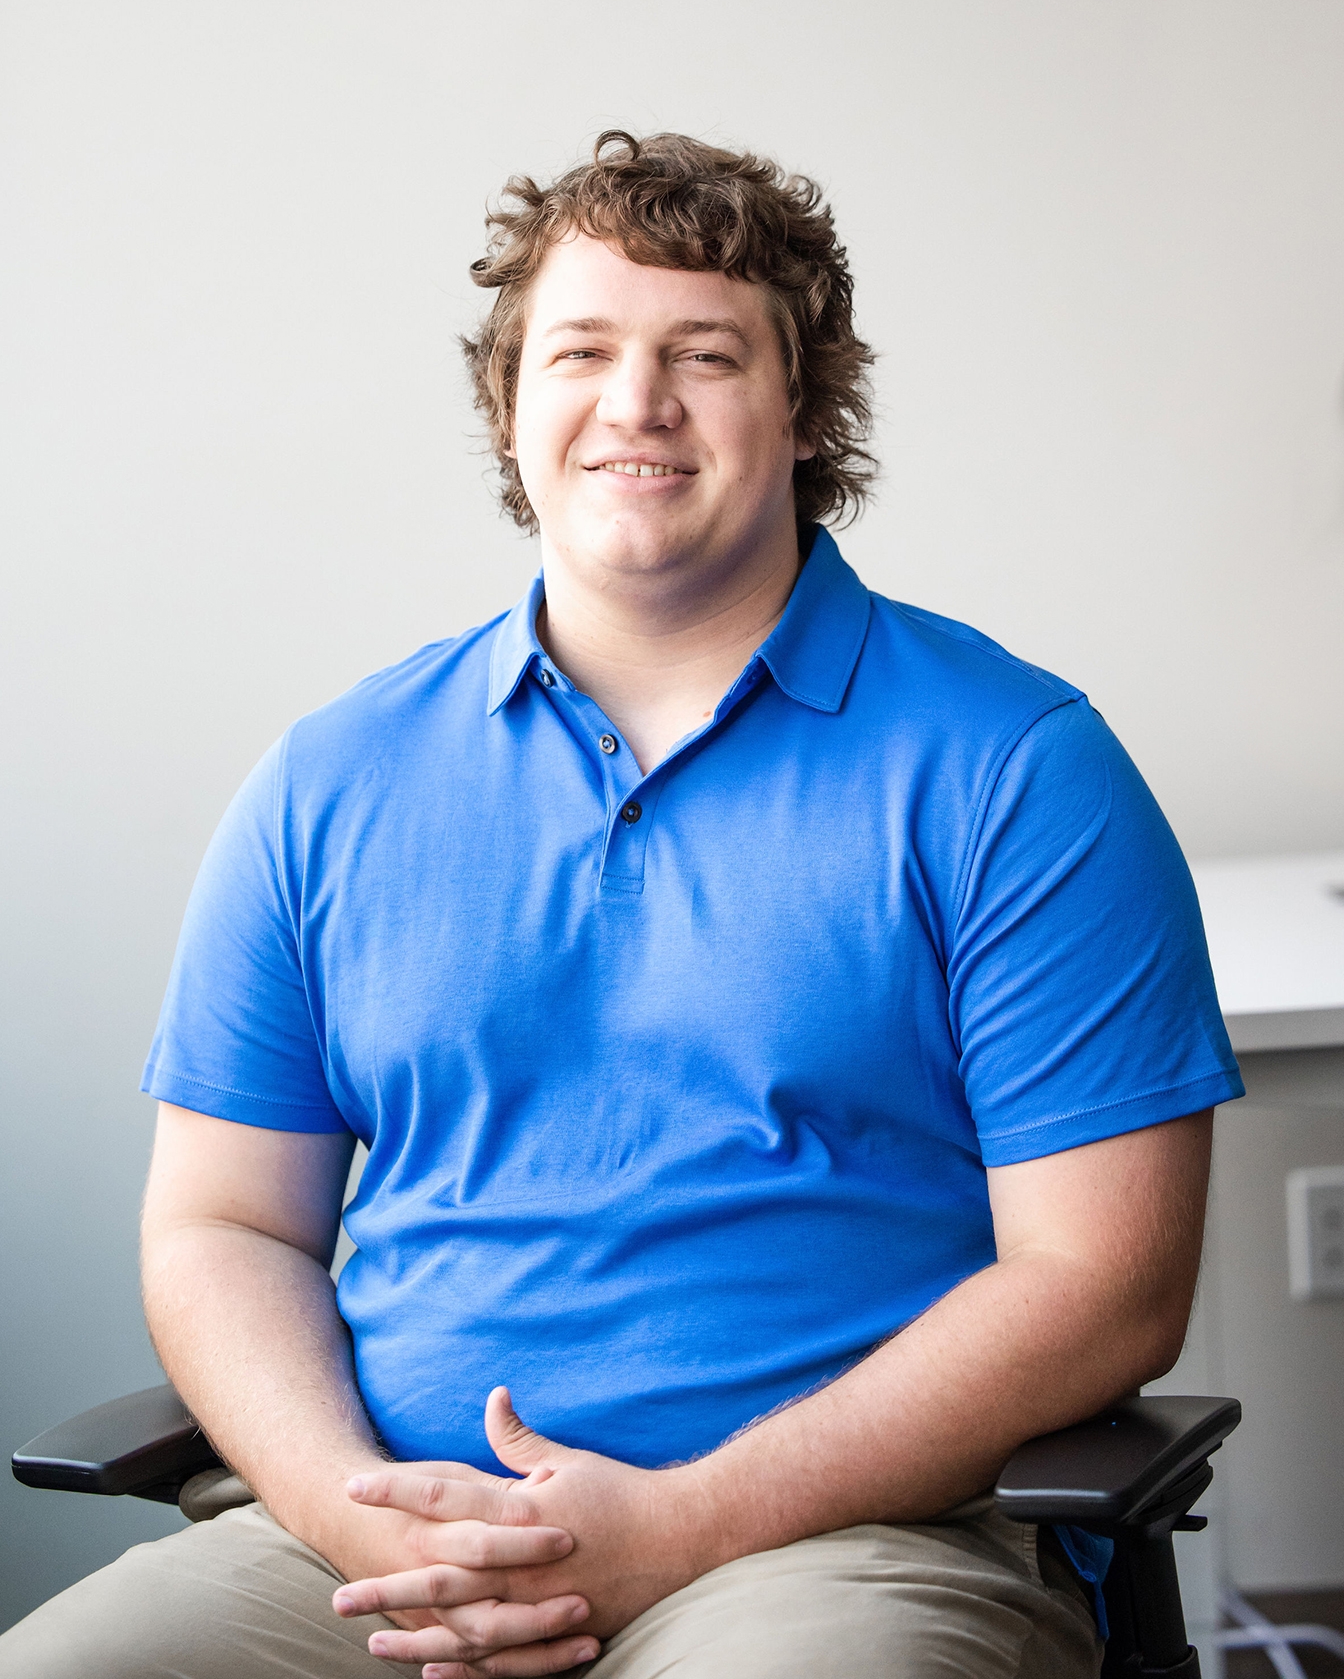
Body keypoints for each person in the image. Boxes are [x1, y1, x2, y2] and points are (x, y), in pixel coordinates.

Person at [1, 132, 1243, 1679]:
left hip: (843, 1547)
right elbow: (222, 1220)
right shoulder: (332, 779)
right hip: (382, 1544)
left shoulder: (1015, 768)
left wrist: (680, 1522)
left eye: (705, 353)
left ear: (804, 409)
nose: (635, 401)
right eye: (581, 351)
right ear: (512, 407)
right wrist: (356, 1512)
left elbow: (1104, 1285)